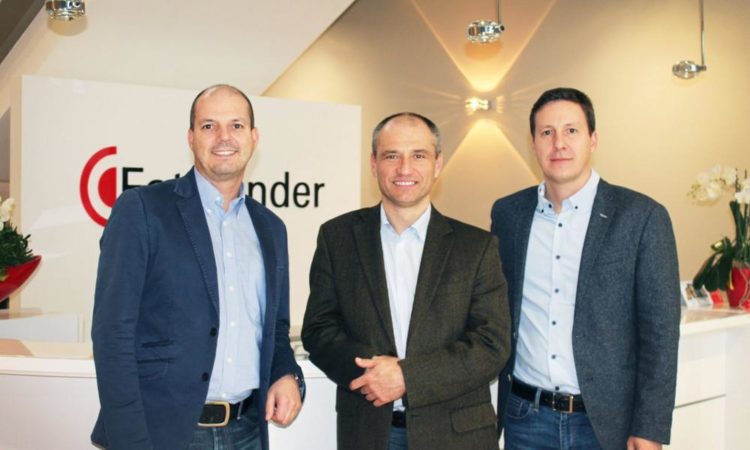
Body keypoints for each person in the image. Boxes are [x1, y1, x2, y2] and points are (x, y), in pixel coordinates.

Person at [91, 84, 304, 450]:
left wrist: (286, 373)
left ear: (254, 137)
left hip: (248, 432)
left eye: (236, 125)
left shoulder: (271, 228)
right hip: (166, 435)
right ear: (191, 138)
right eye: (209, 126)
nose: (224, 137)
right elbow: (112, 334)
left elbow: (275, 328)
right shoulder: (142, 209)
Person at [302, 112, 511, 450]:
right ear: (374, 164)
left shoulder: (476, 247)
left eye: (418, 155)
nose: (404, 169)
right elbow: (319, 329)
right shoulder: (337, 237)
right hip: (369, 433)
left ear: (437, 164)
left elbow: (491, 344)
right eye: (391, 156)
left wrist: (407, 377)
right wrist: (372, 374)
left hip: (455, 436)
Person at [491, 87, 680, 450]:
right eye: (547, 132)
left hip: (605, 424)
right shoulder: (508, 214)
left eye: (571, 131)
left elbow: (660, 334)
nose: (558, 143)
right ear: (533, 143)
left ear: (593, 139)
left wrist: (650, 428)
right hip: (525, 418)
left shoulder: (641, 217)